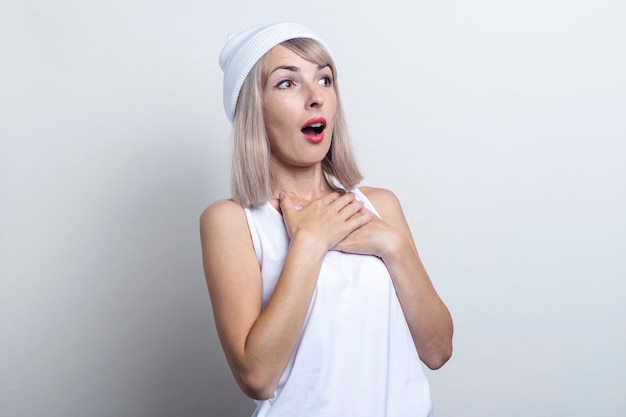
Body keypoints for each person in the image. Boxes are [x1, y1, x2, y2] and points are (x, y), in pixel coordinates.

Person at [200, 22, 453, 416]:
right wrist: (310, 242)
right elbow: (257, 376)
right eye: (287, 83)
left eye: (325, 79)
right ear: (254, 109)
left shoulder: (379, 207)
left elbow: (438, 350)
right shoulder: (231, 222)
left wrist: (393, 245)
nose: (315, 96)